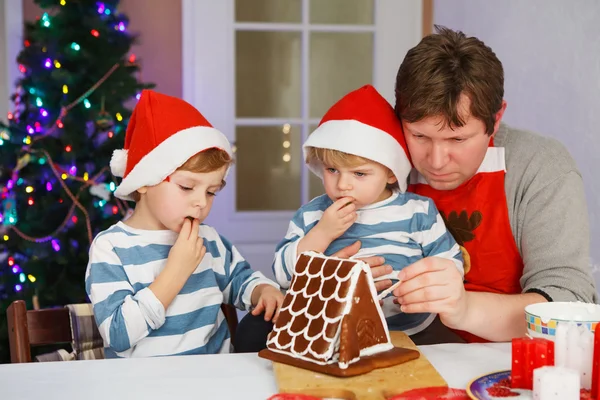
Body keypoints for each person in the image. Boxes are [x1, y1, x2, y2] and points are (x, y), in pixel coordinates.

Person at [378, 26, 598, 343]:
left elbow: (570, 305)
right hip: (399, 356)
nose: (436, 160)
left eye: (457, 139)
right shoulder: (379, 159)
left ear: (495, 119)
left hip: (507, 363)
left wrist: (465, 309)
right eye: (420, 135)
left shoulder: (540, 167)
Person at [85, 90, 283, 358]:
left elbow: (240, 279)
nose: (201, 202)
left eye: (211, 191)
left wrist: (264, 290)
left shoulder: (209, 239)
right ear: (143, 180)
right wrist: (177, 269)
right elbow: (118, 334)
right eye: (187, 187)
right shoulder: (111, 248)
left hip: (215, 381)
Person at [272, 84, 463, 336]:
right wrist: (322, 234)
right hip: (334, 333)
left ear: (391, 173)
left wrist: (420, 285)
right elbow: (282, 276)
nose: (342, 184)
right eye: (332, 170)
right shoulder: (312, 215)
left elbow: (451, 267)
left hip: (414, 331)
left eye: (359, 173)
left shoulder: (418, 212)